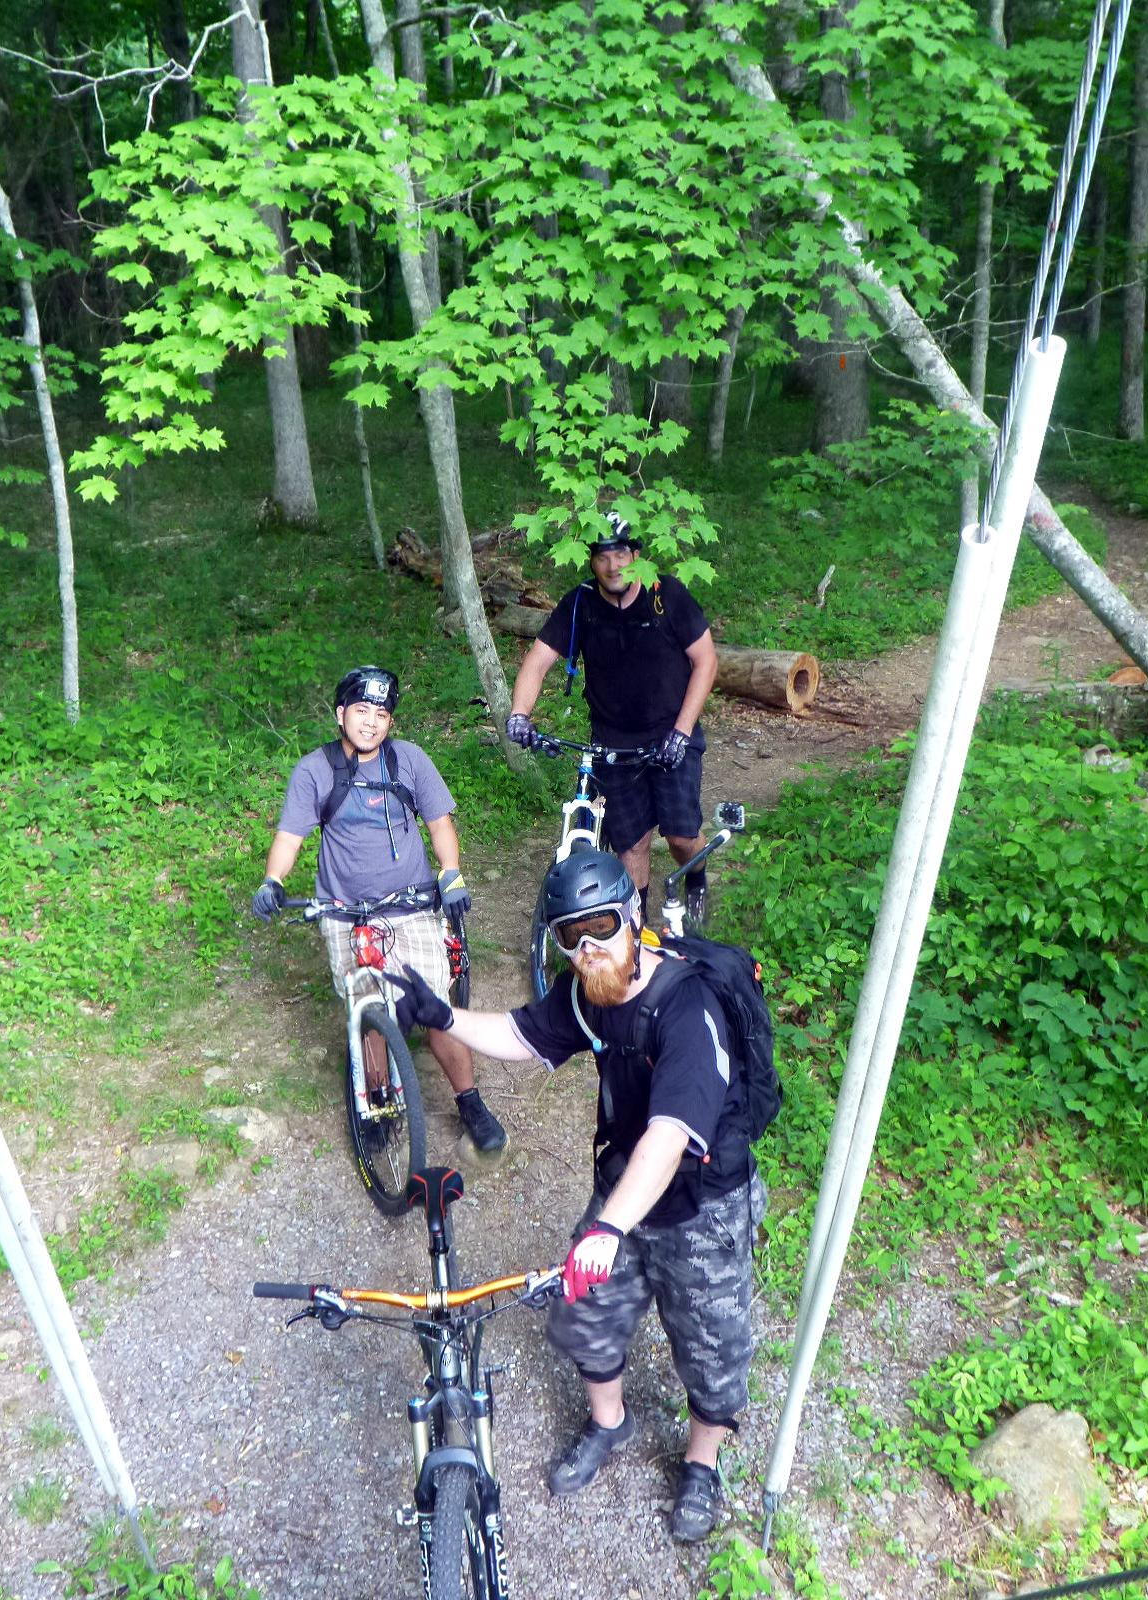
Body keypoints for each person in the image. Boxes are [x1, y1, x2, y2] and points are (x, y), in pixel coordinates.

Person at [385, 846, 765, 1541]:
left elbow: (669, 1136)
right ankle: (609, 1422)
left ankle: (702, 1465)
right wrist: (441, 1015)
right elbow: (523, 1035)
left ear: (633, 917)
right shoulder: (589, 991)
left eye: (602, 928)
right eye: (571, 936)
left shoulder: (687, 1007)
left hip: (702, 1205)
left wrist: (607, 1228)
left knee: (713, 1347)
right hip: (625, 1192)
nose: (589, 948)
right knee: (583, 1310)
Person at [250, 665, 506, 1153]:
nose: (370, 722)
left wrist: (450, 874)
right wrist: (273, 880)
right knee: (368, 1005)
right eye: (362, 710)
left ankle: (470, 1100)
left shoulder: (409, 760)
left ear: (391, 722)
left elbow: (439, 823)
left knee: (437, 1006)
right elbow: (291, 836)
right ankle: (380, 1101)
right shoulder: (315, 770)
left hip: (409, 905)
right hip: (345, 911)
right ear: (340, 713)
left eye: (381, 714)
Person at [506, 510, 719, 925]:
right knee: (631, 845)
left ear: (636, 554)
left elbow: (706, 661)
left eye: (621, 554)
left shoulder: (666, 595)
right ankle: (635, 928)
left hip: (671, 732)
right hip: (612, 740)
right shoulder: (580, 604)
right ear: (591, 560)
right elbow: (537, 661)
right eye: (603, 556)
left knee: (681, 837)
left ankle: (696, 877)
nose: (613, 565)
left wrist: (682, 730)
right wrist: (520, 714)